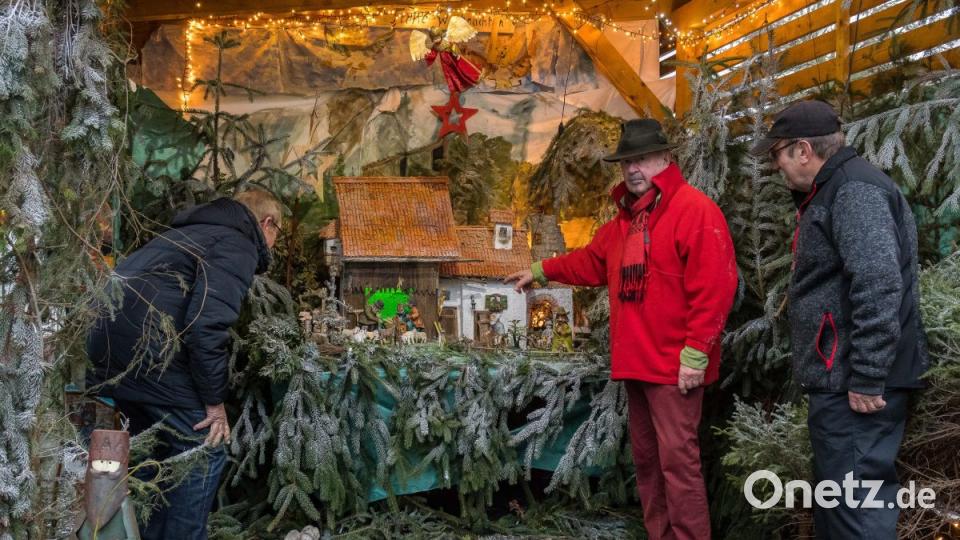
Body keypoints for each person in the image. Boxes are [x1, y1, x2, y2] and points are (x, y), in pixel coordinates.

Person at [505, 118, 737, 540]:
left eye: (643, 159)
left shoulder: (695, 211)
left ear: (666, 158)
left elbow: (716, 288)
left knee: (678, 466)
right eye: (626, 161)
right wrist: (539, 270)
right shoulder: (624, 223)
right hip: (636, 365)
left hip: (674, 369)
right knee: (648, 463)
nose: (633, 169)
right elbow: (591, 261)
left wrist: (696, 355)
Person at [751, 100, 928, 539]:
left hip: (857, 388)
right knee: (840, 509)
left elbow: (878, 283)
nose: (776, 168)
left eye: (777, 155)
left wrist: (867, 375)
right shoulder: (836, 190)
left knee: (856, 514)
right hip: (843, 381)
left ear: (803, 150)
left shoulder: (853, 191)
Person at [86, 189, 281, 539]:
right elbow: (207, 325)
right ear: (267, 223)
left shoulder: (182, 234)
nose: (274, 246)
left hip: (112, 353)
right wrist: (214, 403)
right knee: (203, 450)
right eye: (277, 234)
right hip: (150, 357)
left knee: (153, 449)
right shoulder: (237, 242)